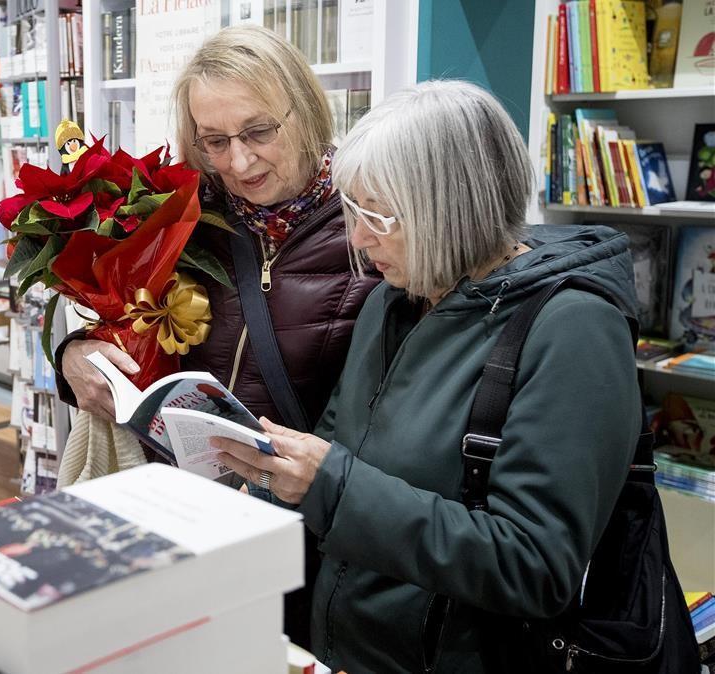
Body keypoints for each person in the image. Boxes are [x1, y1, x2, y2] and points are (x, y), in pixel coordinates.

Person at [212, 80, 643, 672]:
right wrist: (269, 480)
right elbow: (342, 445)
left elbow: (537, 567)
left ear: (453, 205)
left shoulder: (573, 330)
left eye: (377, 216)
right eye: (353, 213)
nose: (358, 239)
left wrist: (329, 487)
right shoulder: (393, 304)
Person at [54, 24, 379, 651]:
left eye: (259, 132)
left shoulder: (370, 227)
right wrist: (72, 354)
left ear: (306, 111)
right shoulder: (179, 216)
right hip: (173, 513)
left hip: (302, 535)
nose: (239, 161)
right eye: (215, 141)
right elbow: (109, 314)